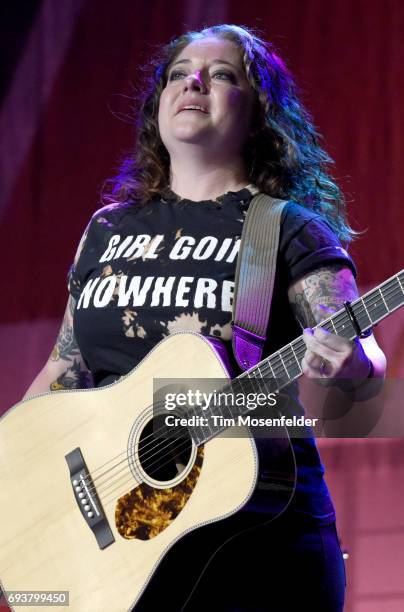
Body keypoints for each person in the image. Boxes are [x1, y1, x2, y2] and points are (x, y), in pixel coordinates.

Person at [24, 24, 386, 611]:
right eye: (179, 74)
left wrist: (352, 365)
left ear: (258, 113)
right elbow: (65, 371)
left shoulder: (285, 228)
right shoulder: (107, 229)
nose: (194, 82)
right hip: (122, 541)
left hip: (252, 545)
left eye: (222, 75)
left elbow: (363, 365)